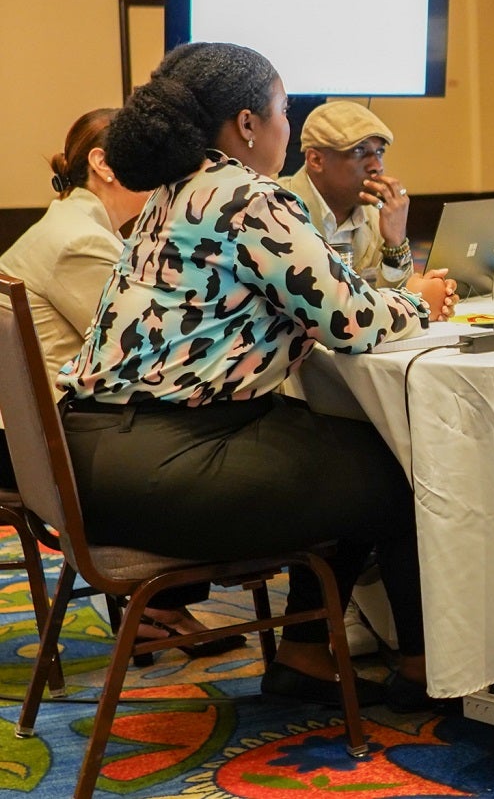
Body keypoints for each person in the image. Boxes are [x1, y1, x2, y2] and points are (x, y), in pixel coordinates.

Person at [57, 42, 450, 713]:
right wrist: (418, 300)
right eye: (281, 111)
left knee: (332, 438)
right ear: (247, 124)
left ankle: (303, 653)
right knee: (406, 466)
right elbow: (350, 319)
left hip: (87, 461)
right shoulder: (247, 195)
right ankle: (418, 669)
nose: (286, 128)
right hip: (168, 465)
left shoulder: (169, 195)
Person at [0, 108, 244, 660]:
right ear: (104, 164)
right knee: (198, 429)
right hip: (50, 447)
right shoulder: (80, 241)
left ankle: (160, 607)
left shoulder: (71, 227)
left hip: (35, 434)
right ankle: (159, 606)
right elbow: (143, 356)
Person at [280, 100, 457, 318]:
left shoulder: (376, 215)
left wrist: (396, 244)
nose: (377, 166)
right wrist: (412, 304)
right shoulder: (279, 208)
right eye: (359, 151)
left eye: (379, 152)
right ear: (316, 160)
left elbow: (391, 296)